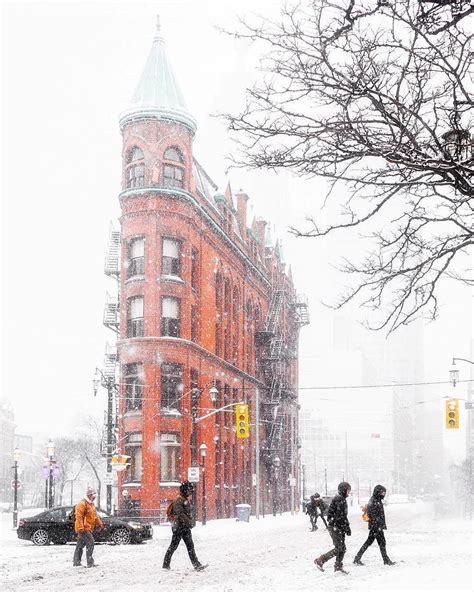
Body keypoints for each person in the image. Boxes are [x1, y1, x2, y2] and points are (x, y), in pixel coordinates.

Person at [162, 481, 206, 571]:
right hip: (178, 527)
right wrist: (190, 523)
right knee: (173, 546)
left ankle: (196, 564)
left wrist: (189, 522)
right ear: (185, 490)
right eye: (189, 490)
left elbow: (185, 514)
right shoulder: (179, 500)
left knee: (190, 546)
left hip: (184, 527)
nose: (190, 492)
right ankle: (165, 565)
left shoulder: (184, 499)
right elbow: (180, 514)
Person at [353, 484, 396, 566]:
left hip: (376, 526)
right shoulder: (374, 501)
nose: (384, 494)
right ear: (378, 492)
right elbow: (372, 515)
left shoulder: (377, 500)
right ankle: (386, 560)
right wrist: (378, 525)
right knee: (381, 543)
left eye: (384, 493)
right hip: (376, 527)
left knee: (371, 542)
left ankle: (357, 558)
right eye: (382, 492)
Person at [314, 482, 352, 574]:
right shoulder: (339, 499)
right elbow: (340, 516)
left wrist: (346, 527)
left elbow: (342, 516)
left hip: (339, 527)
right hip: (335, 527)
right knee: (339, 548)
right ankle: (320, 560)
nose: (349, 493)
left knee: (342, 548)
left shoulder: (341, 499)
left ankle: (338, 566)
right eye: (348, 490)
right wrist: (346, 527)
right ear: (343, 490)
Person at [73, 486, 104, 568]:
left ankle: (76, 562)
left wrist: (100, 524)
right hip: (83, 528)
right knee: (91, 543)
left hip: (88, 528)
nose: (94, 498)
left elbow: (95, 516)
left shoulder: (91, 504)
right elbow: (78, 516)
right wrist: (80, 528)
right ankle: (90, 562)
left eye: (95, 497)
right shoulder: (82, 504)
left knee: (80, 545)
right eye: (93, 496)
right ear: (89, 495)